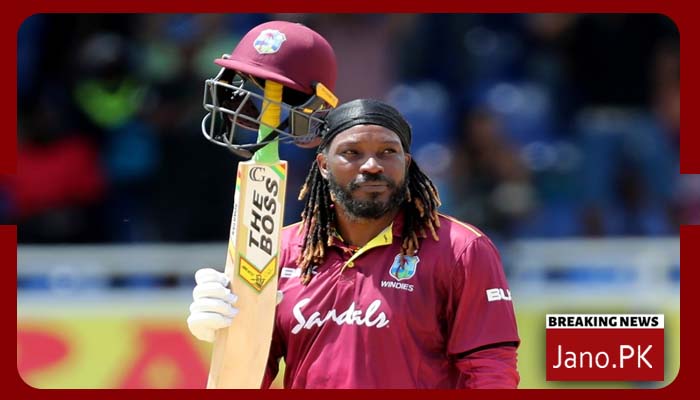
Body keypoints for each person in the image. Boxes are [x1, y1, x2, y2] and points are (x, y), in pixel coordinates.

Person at [188, 96, 521, 388]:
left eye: (388, 152)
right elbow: (248, 375)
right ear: (323, 165)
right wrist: (230, 334)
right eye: (352, 153)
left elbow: (490, 370)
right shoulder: (280, 250)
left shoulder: (460, 249)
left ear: (406, 163)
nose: (372, 166)